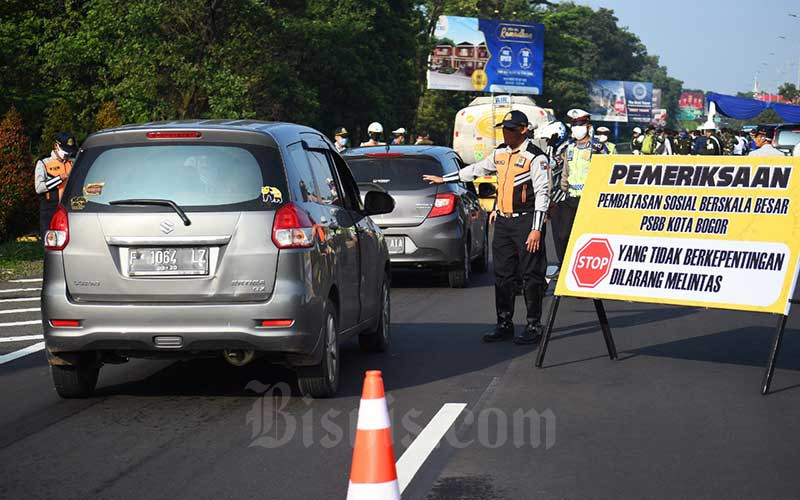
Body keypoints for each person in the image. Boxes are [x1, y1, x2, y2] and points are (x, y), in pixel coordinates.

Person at [422, 110, 551, 345]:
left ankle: (533, 324)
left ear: (524, 130)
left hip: (526, 221)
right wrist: (446, 179)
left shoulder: (536, 157)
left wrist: (536, 229)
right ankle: (504, 322)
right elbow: (477, 169)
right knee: (502, 274)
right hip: (503, 222)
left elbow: (543, 194)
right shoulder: (501, 152)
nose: (506, 133)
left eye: (511, 129)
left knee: (531, 274)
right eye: (504, 129)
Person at [550, 109, 598, 274]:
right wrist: (564, 189)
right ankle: (566, 270)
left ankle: (586, 272)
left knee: (587, 238)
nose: (577, 128)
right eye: (574, 124)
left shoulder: (597, 148)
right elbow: (565, 173)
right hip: (571, 198)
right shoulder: (569, 148)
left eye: (580, 124)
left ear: (588, 126)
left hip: (590, 200)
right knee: (563, 236)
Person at [35, 132, 76, 239]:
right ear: (56, 146)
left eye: (70, 151)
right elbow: (39, 188)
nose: (68, 154)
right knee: (50, 241)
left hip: (71, 208)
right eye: (65, 150)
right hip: (50, 209)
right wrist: (60, 178)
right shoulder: (44, 163)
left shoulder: (74, 162)